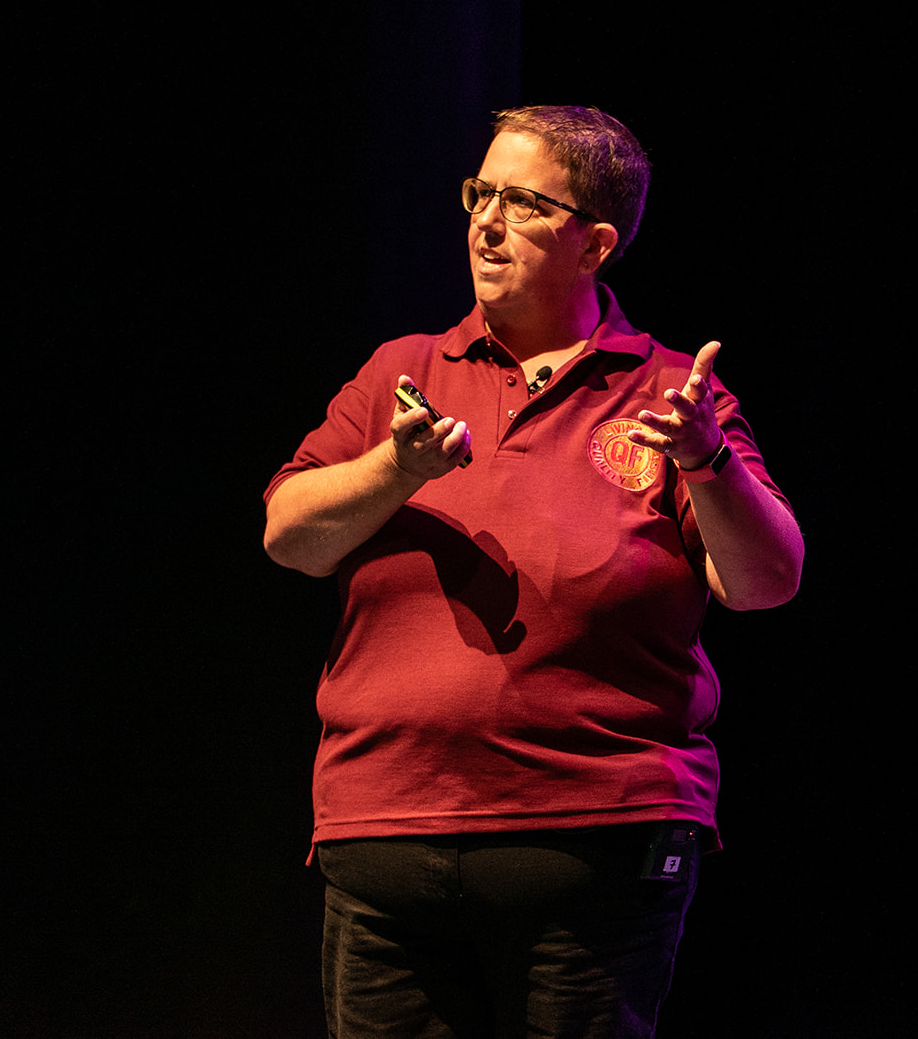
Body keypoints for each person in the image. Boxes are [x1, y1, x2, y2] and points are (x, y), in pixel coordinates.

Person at [263, 105, 804, 1038]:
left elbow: (765, 580)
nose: (486, 221)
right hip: (388, 834)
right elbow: (290, 536)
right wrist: (399, 467)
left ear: (594, 244)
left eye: (521, 200)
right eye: (480, 194)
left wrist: (706, 460)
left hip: (594, 848)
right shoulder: (403, 369)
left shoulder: (669, 389)